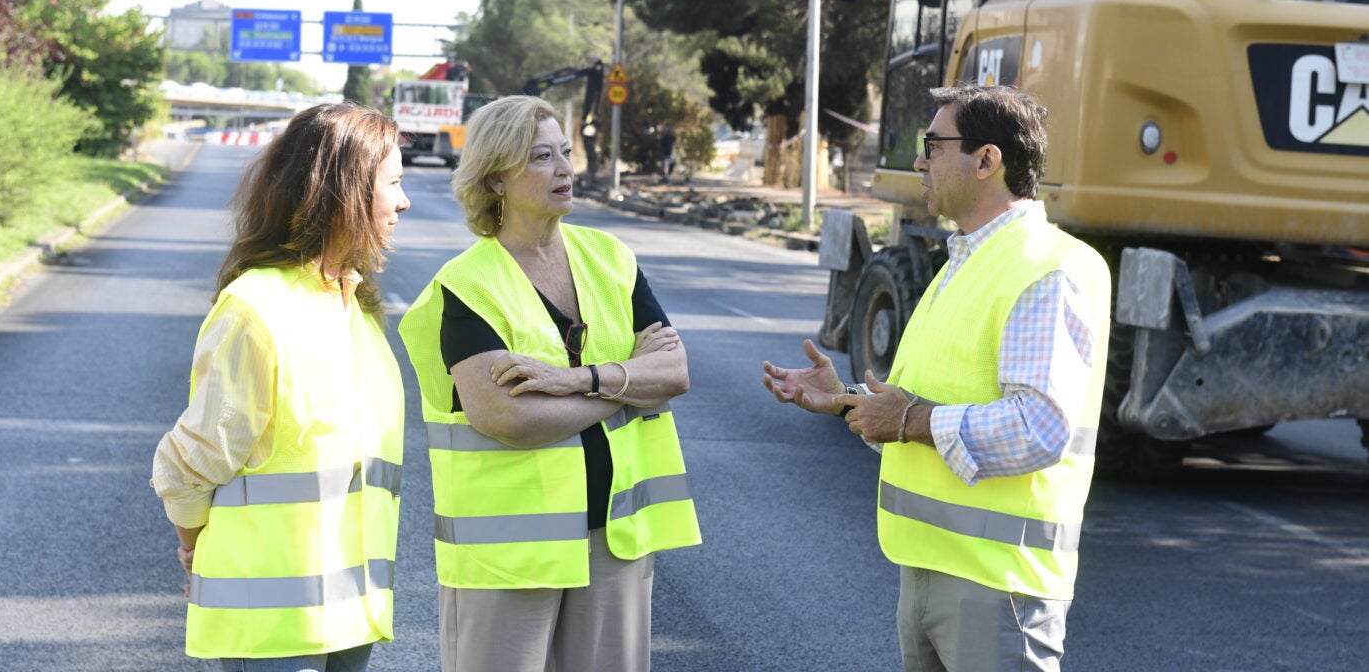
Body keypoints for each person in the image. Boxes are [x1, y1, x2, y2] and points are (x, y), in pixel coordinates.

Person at [763, 84, 1110, 672]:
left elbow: (1037, 428)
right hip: (930, 568)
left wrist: (906, 420)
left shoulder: (1047, 268)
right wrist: (848, 401)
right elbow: (927, 402)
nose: (920, 160)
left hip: (998, 581)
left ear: (986, 160)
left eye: (932, 144)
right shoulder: (964, 261)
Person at [399, 95, 701, 672]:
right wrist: (627, 387)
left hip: (615, 536)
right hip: (509, 551)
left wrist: (575, 380)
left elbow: (675, 373)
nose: (565, 168)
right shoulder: (468, 284)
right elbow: (508, 417)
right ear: (495, 180)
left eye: (566, 151)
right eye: (541, 156)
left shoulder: (610, 257)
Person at [152, 103, 411, 671]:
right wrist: (194, 544)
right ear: (344, 191)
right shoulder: (256, 308)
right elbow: (193, 460)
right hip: (270, 624)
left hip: (348, 608)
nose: (403, 200)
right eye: (392, 182)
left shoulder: (354, 305)